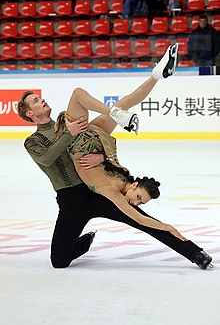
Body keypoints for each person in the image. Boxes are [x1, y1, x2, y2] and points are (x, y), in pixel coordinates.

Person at [17, 44, 213, 270]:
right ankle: (84, 242)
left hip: (100, 190)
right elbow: (48, 159)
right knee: (59, 261)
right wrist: (69, 135)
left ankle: (195, 253)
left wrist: (101, 157)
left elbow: (80, 101)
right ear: (30, 114)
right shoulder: (33, 141)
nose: (41, 100)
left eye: (39, 97)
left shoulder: (70, 124)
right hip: (72, 201)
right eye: (35, 101)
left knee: (142, 220)